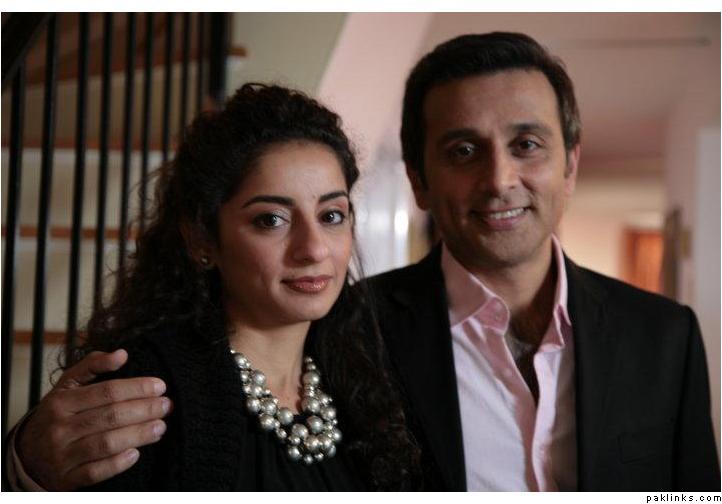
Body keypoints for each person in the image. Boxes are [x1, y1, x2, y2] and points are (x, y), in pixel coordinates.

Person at [7, 32, 720, 492]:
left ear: (571, 165)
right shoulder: (357, 326)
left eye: (527, 145)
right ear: (418, 181)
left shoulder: (665, 336)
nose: (500, 179)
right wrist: (26, 467)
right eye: (463, 150)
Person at [6, 83, 421, 490]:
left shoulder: (364, 371)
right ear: (202, 240)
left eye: (331, 215)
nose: (313, 249)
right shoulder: (148, 391)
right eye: (271, 220)